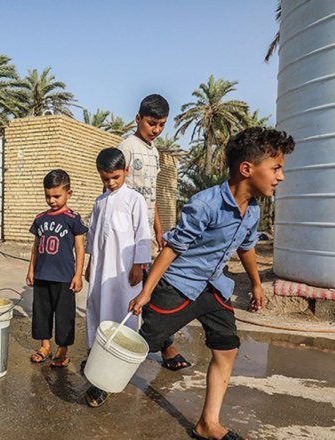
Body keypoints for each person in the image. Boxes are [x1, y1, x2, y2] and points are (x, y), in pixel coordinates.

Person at [125, 128, 294, 439]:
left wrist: (256, 284)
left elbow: (245, 247)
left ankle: (208, 424)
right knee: (139, 345)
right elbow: (172, 248)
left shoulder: (252, 210)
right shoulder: (205, 204)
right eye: (276, 168)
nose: (280, 177)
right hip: (177, 286)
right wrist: (145, 293)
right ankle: (101, 377)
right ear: (247, 169)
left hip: (214, 287)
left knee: (227, 348)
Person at [118, 93, 190, 371]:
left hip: (146, 235)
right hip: (126, 232)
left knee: (148, 290)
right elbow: (111, 187)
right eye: (151, 123)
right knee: (130, 288)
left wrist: (159, 230)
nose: (157, 129)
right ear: (138, 119)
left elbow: (152, 197)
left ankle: (161, 343)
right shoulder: (127, 147)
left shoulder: (154, 153)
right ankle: (149, 345)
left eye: (162, 124)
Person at [84, 149, 150, 373]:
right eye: (106, 178)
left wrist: (139, 265)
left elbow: (142, 233)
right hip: (101, 267)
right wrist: (89, 263)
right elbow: (93, 235)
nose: (111, 182)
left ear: (126, 172)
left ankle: (122, 359)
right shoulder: (99, 201)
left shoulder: (135, 199)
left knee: (124, 309)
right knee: (98, 305)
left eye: (116, 177)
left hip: (125, 269)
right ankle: (97, 351)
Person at [26, 170, 87, 368]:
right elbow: (36, 247)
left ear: (69, 193)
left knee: (64, 315)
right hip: (43, 275)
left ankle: (63, 349)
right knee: (41, 313)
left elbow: (80, 248)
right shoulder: (40, 219)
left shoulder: (73, 218)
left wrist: (78, 275)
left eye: (56, 196)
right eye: (47, 196)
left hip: (64, 277)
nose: (51, 200)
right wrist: (31, 269)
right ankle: (44, 346)